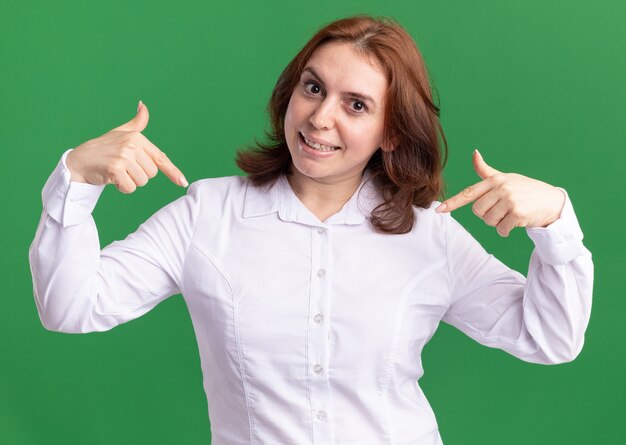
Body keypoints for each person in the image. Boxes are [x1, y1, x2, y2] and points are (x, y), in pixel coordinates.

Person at [29, 15, 593, 445]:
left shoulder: (430, 236)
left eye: (356, 104)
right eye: (313, 88)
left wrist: (556, 223)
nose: (321, 118)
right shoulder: (206, 214)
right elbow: (72, 306)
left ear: (391, 133)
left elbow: (549, 338)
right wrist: (76, 180)